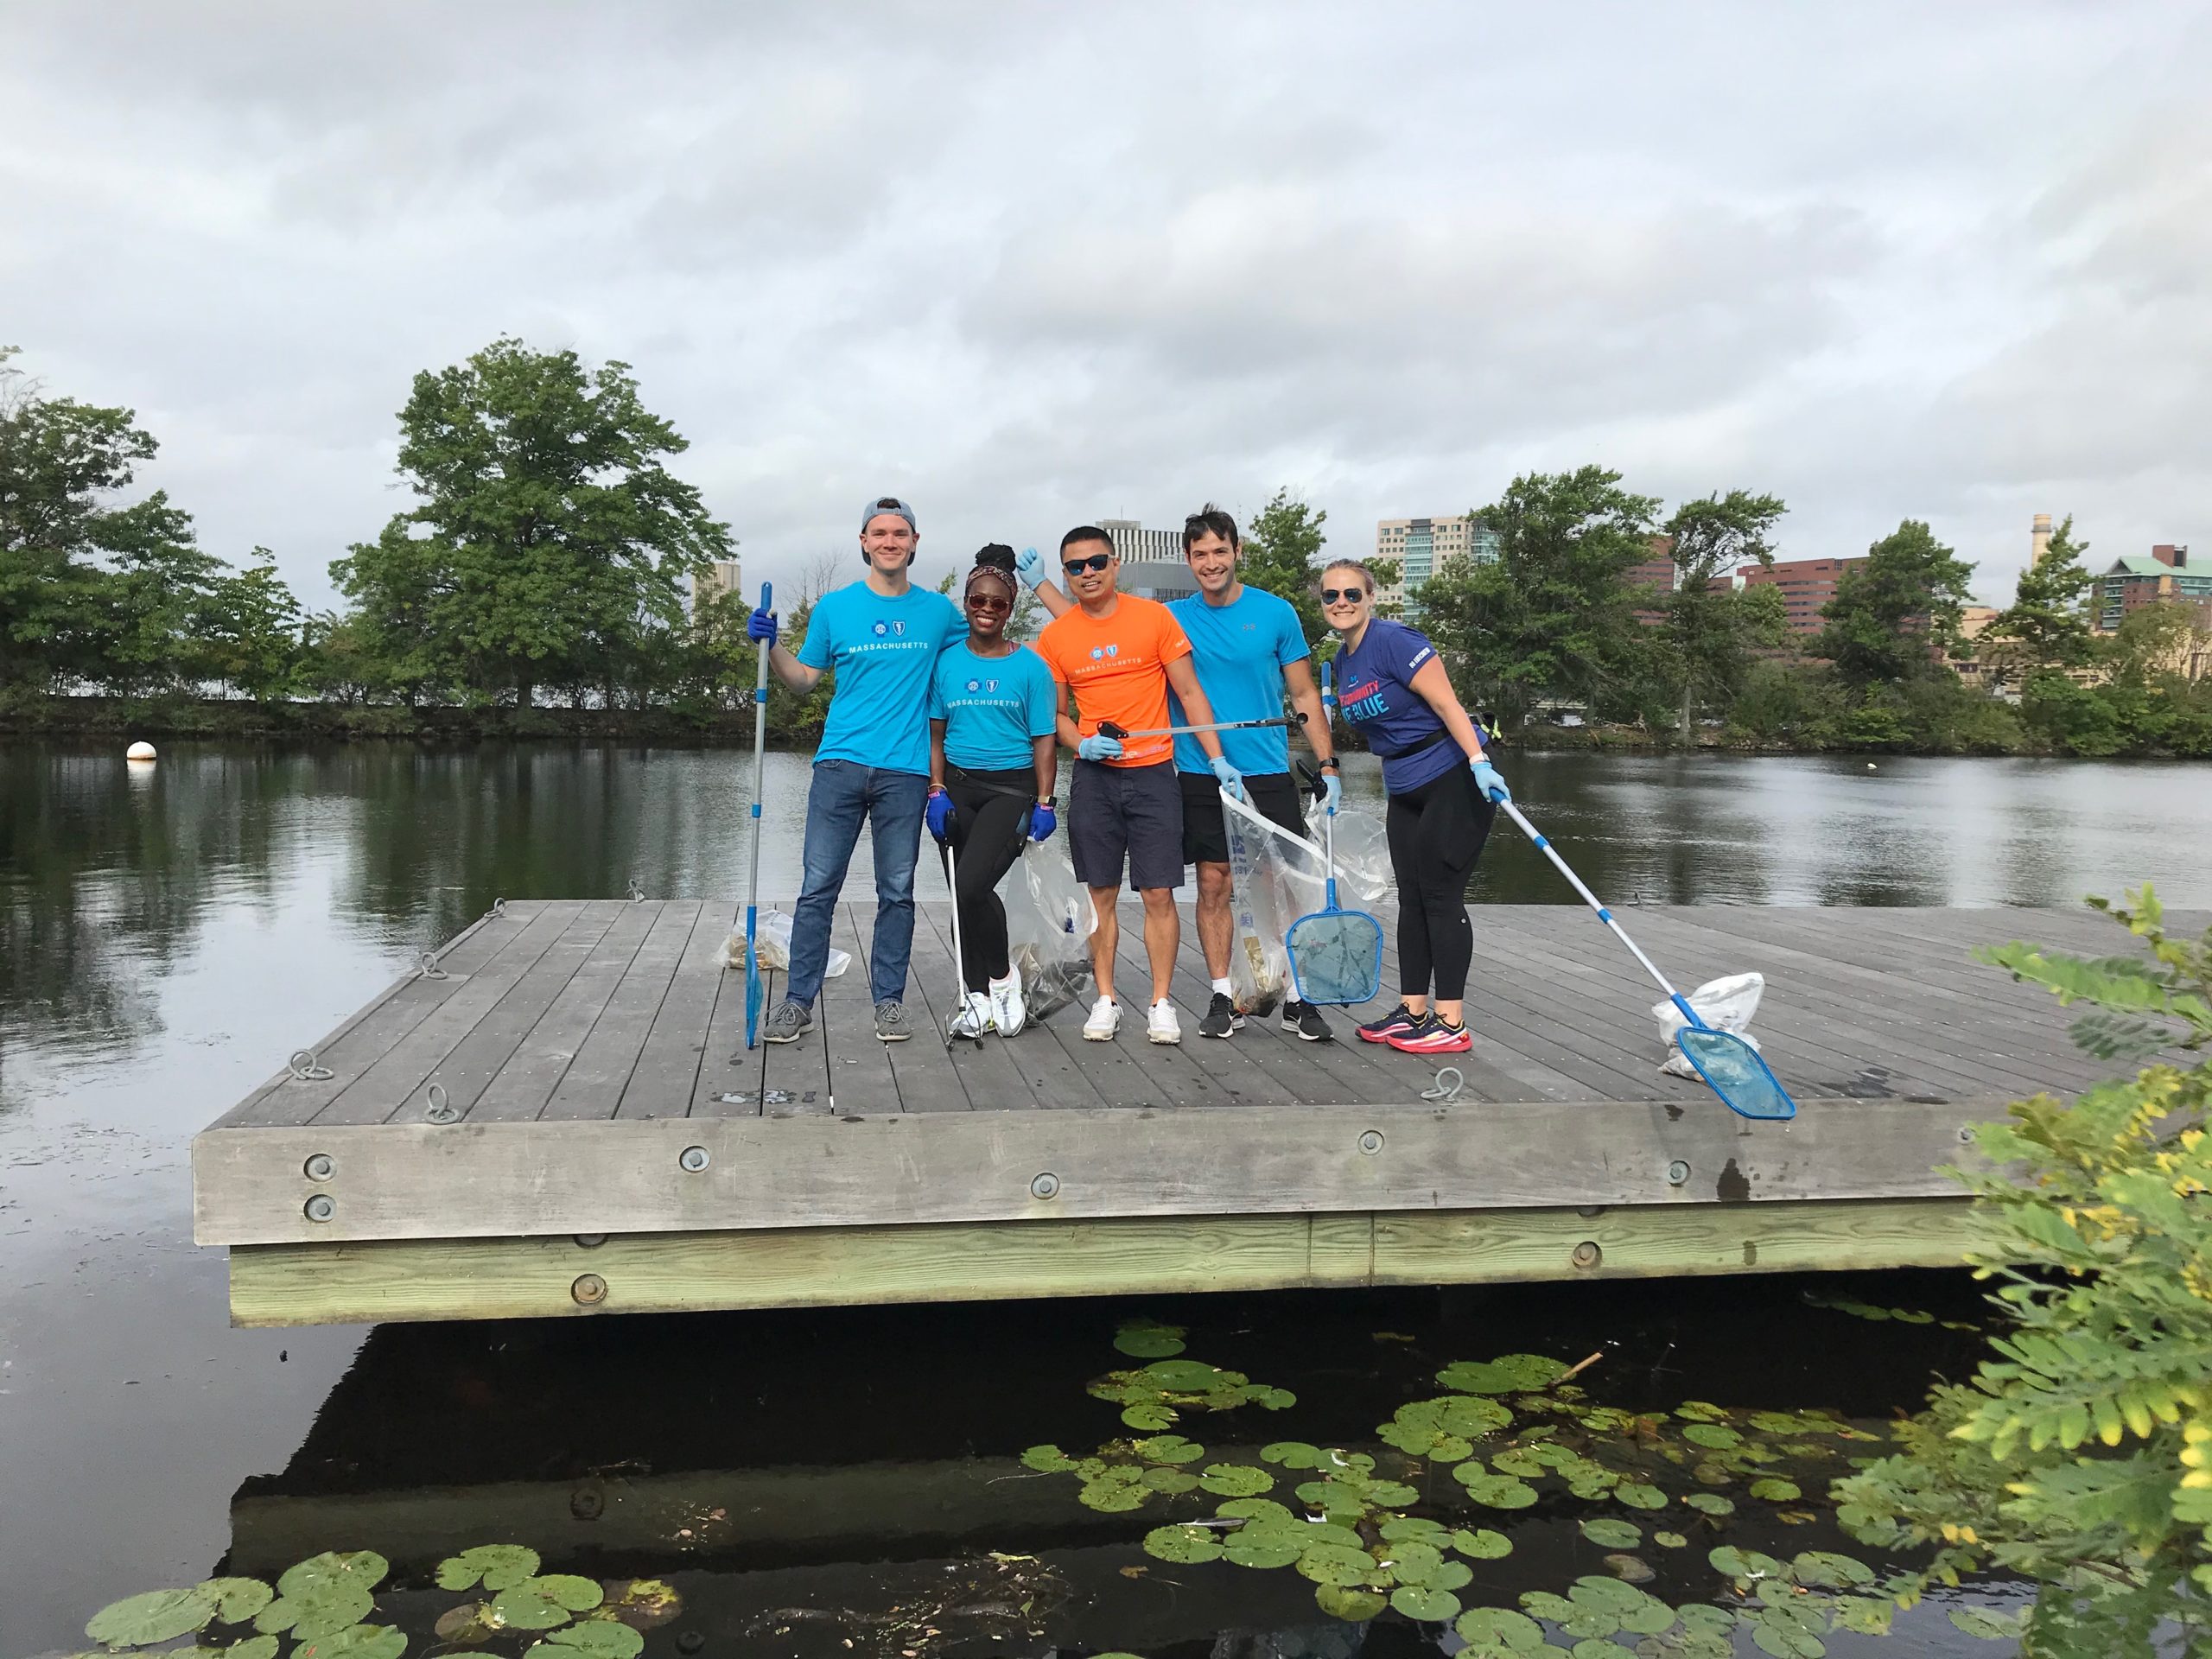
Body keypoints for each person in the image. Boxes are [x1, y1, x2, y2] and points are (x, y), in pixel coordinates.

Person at [747, 497, 963, 1045]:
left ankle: (888, 1001)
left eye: (900, 533)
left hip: (906, 770)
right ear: (863, 542)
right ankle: (798, 1001)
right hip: (839, 765)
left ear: (915, 543)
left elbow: (973, 661)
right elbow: (801, 681)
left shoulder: (939, 612)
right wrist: (771, 646)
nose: (890, 542)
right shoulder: (835, 609)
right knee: (817, 889)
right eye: (879, 533)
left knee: (897, 891)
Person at [1024, 527, 1241, 1045]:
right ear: (1065, 575)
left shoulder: (1153, 619)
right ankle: (1105, 1000)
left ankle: (1161, 1003)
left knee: (1159, 893)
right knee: (1100, 894)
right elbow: (1055, 715)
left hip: (1153, 774)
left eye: (1096, 562)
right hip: (1096, 780)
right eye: (1074, 567)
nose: (1087, 573)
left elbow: (1189, 692)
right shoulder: (1057, 637)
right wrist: (1082, 743)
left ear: (1115, 564)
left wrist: (1217, 759)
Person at [1318, 556, 1510, 1055]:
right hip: (1403, 786)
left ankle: (1452, 1022)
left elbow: (1447, 704)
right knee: (1411, 899)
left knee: (1441, 898)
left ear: (1370, 597)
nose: (1341, 603)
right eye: (1331, 596)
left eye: (1351, 594)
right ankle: (1415, 1010)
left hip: (1451, 777)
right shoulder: (1342, 661)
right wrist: (1331, 771)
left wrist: (1478, 760)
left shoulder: (1395, 642)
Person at [1167, 506, 1339, 1041]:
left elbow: (1304, 693)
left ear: (1237, 552)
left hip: (1266, 771)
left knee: (1283, 886)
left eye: (1221, 551)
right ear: (1188, 560)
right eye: (1200, 554)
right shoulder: (1171, 618)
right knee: (1214, 881)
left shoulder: (1277, 613)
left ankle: (1295, 998)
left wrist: (1329, 764)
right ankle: (1223, 995)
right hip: (1201, 772)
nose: (1211, 562)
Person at [925, 547, 1060, 1040]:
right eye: (977, 600)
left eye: (997, 603)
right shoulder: (945, 665)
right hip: (958, 786)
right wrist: (935, 789)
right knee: (966, 894)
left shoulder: (1031, 668)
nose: (986, 608)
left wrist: (1046, 801)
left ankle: (1003, 979)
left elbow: (1044, 739)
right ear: (966, 602)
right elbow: (936, 734)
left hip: (1011, 789)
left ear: (1011, 608)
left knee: (970, 884)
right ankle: (975, 996)